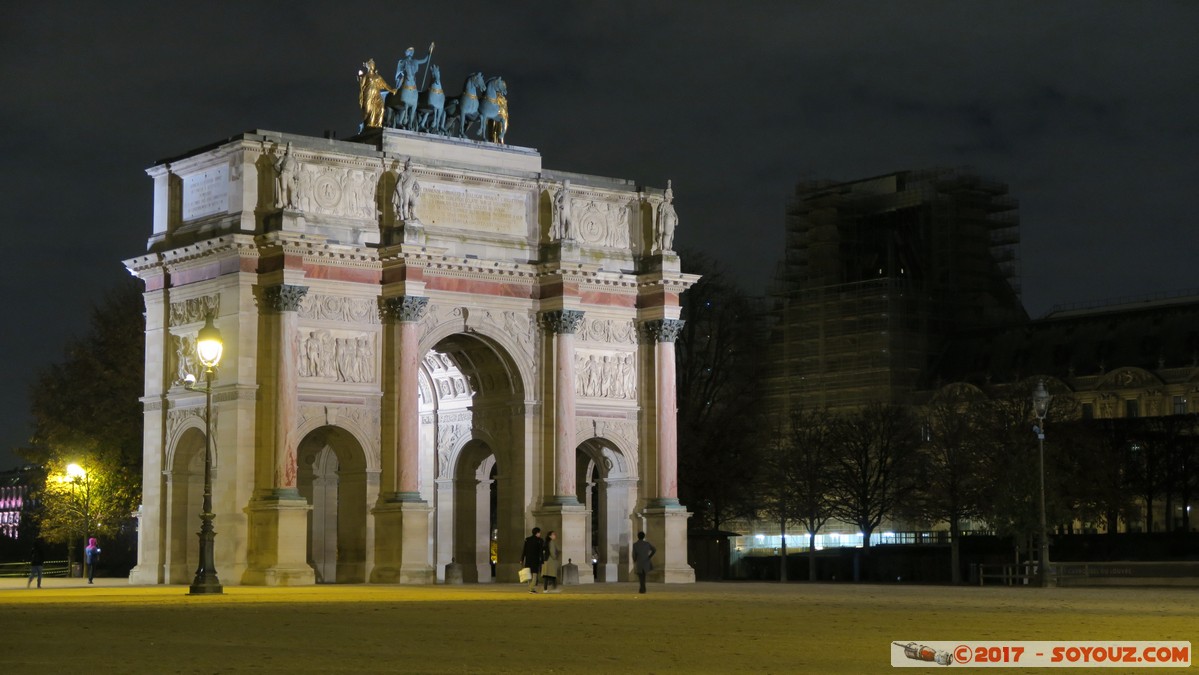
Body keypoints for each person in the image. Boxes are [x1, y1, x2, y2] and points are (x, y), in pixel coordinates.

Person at [520, 527, 544, 593]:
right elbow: (541, 552)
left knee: (529, 575)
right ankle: (530, 588)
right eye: (539, 532)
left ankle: (532, 588)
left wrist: (521, 559)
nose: (540, 534)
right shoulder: (540, 540)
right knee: (535, 576)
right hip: (535, 561)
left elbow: (524, 550)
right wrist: (542, 561)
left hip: (528, 560)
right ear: (537, 533)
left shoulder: (527, 539)